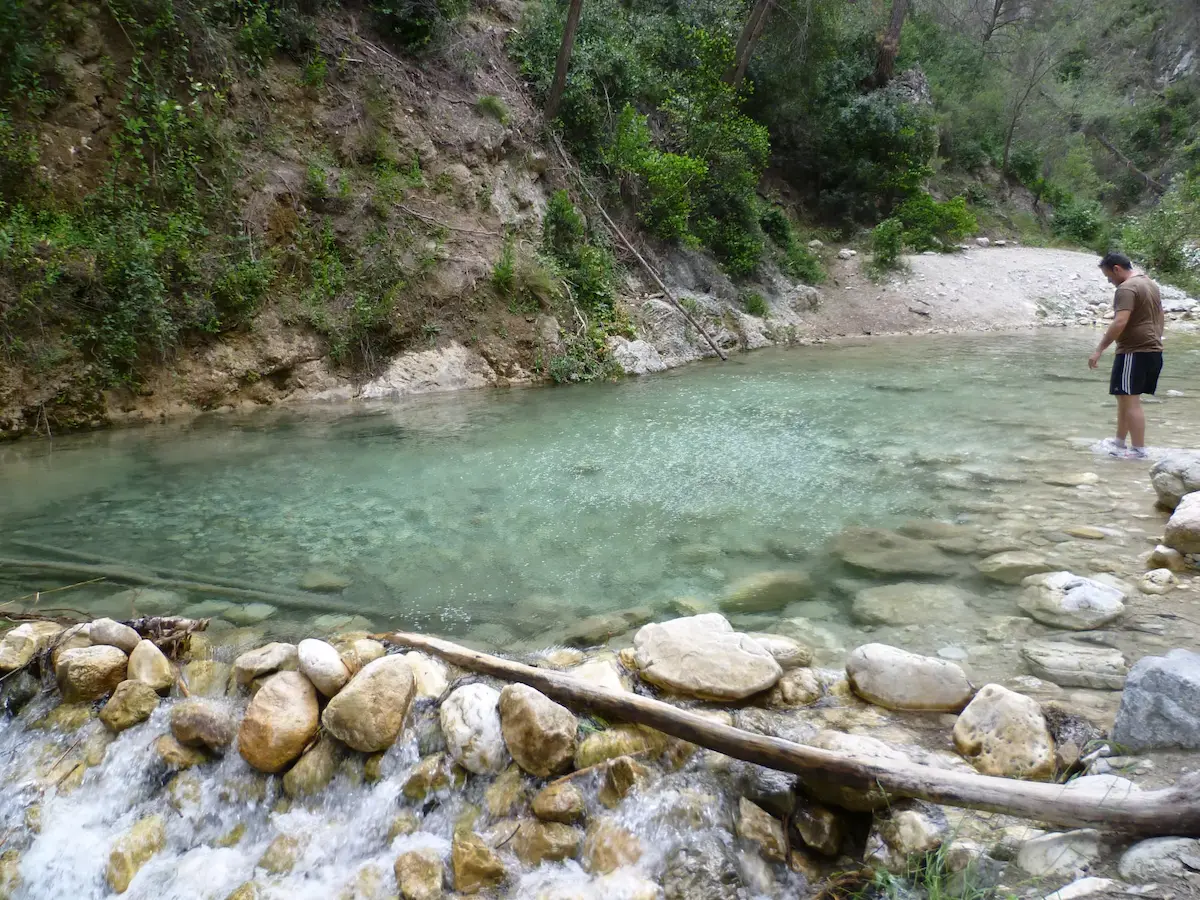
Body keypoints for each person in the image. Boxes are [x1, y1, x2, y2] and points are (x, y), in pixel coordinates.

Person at [1088, 252, 1164, 459]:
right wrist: (1155, 338)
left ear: (1117, 269)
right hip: (1148, 349)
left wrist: (1099, 349)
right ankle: (1120, 442)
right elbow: (1160, 315)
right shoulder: (1149, 283)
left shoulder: (1127, 288)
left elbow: (1120, 322)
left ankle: (1139, 450)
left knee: (1131, 401)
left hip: (1135, 351)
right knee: (1123, 396)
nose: (1110, 281)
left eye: (1109, 277)